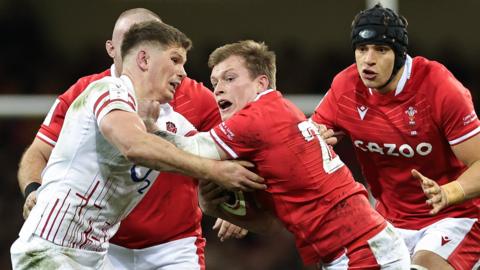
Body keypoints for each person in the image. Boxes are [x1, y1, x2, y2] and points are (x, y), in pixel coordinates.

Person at [11, 21, 265, 270]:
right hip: (51, 250)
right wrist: (214, 171)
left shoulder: (170, 121)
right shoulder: (106, 90)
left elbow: (211, 146)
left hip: (96, 255)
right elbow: (134, 146)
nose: (183, 72)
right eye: (175, 60)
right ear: (144, 60)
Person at [151, 40, 411, 269]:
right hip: (359, 247)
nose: (218, 89)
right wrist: (218, 207)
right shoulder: (276, 114)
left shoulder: (257, 118)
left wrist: (141, 129)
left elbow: (189, 150)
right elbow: (269, 224)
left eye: (229, 79)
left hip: (361, 251)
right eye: (215, 82)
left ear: (261, 83)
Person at [312, 4, 480, 270]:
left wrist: (449, 192)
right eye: (361, 49)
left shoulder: (439, 87)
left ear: (400, 55)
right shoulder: (346, 87)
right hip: (390, 221)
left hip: (455, 216)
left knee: (424, 265)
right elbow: (300, 145)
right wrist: (315, 137)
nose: (368, 59)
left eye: (381, 49)